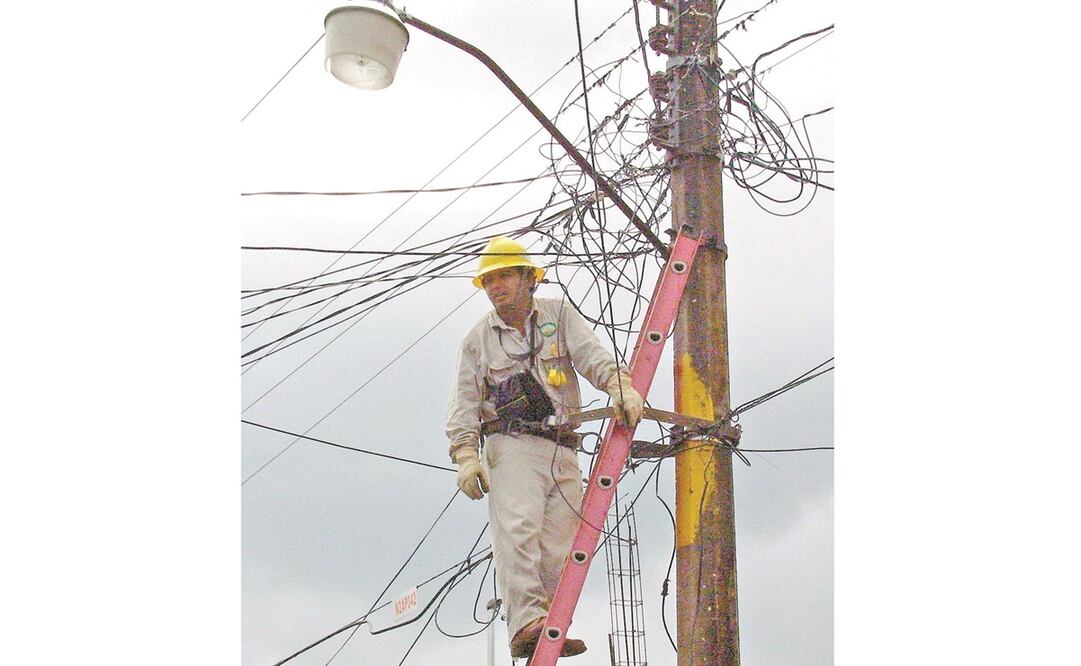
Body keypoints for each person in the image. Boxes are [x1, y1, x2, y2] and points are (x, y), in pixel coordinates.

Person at [445, 236, 644, 659]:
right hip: (511, 443)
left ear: (527, 278)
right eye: (489, 280)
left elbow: (592, 357)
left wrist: (619, 386)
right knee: (519, 531)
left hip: (563, 445)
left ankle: (548, 626)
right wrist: (465, 457)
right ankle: (526, 622)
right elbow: (463, 404)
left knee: (561, 543)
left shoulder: (558, 315)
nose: (496, 286)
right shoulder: (478, 340)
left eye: (503, 276)